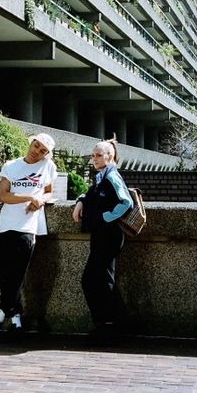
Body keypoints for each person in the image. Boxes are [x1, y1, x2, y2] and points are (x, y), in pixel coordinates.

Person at [0, 132, 57, 336]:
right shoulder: (11, 166)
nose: (38, 152)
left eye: (43, 151)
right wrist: (29, 196)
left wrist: (41, 200)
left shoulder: (48, 167)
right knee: (4, 273)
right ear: (31, 143)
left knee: (18, 274)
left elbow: (48, 191)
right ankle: (12, 314)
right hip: (6, 225)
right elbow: (3, 196)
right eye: (36, 146)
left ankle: (5, 313)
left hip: (28, 227)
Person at [72, 138, 132, 343]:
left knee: (96, 280)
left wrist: (104, 218)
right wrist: (80, 202)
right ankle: (109, 324)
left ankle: (109, 325)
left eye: (98, 155)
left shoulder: (112, 176)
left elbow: (126, 202)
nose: (94, 159)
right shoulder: (102, 176)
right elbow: (90, 194)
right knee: (99, 279)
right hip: (102, 236)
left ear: (110, 156)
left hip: (109, 236)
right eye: (93, 155)